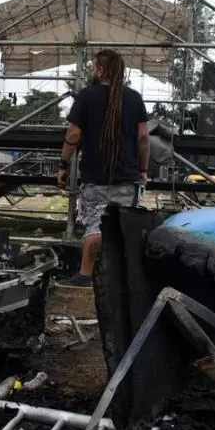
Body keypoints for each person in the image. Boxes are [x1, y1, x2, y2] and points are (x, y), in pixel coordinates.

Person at [57, 49, 150, 288]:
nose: (91, 69)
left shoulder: (87, 96)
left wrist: (63, 164)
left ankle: (86, 276)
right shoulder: (134, 98)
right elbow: (142, 138)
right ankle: (119, 278)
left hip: (96, 176)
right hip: (128, 177)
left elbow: (74, 133)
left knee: (96, 225)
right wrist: (143, 169)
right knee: (120, 229)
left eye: (93, 66)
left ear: (100, 70)